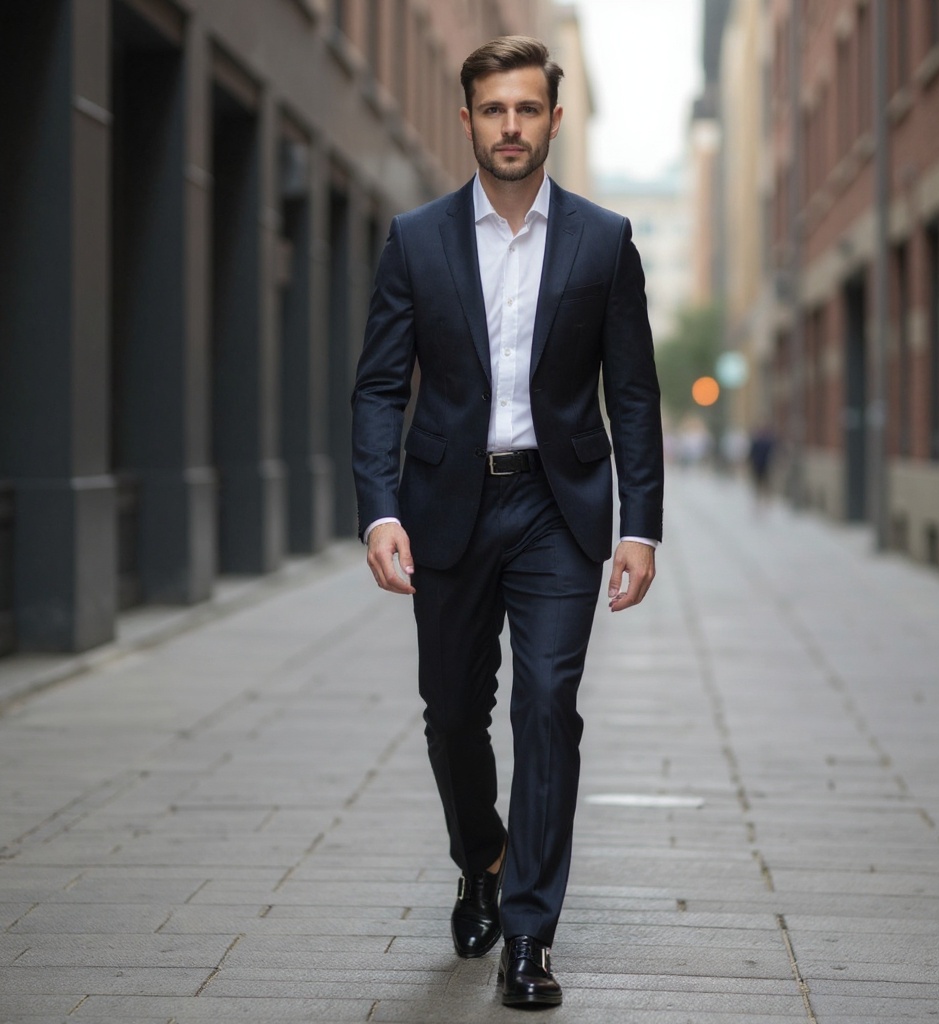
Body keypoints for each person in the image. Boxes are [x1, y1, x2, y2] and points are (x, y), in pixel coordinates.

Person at [351, 36, 663, 1009]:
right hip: (447, 505)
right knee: (452, 713)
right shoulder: (416, 240)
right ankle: (480, 855)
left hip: (556, 507)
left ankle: (529, 933)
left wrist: (640, 525)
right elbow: (379, 387)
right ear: (468, 120)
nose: (512, 126)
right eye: (494, 110)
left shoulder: (604, 241)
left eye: (528, 109)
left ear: (554, 120)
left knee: (547, 704)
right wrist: (378, 510)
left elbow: (634, 393)